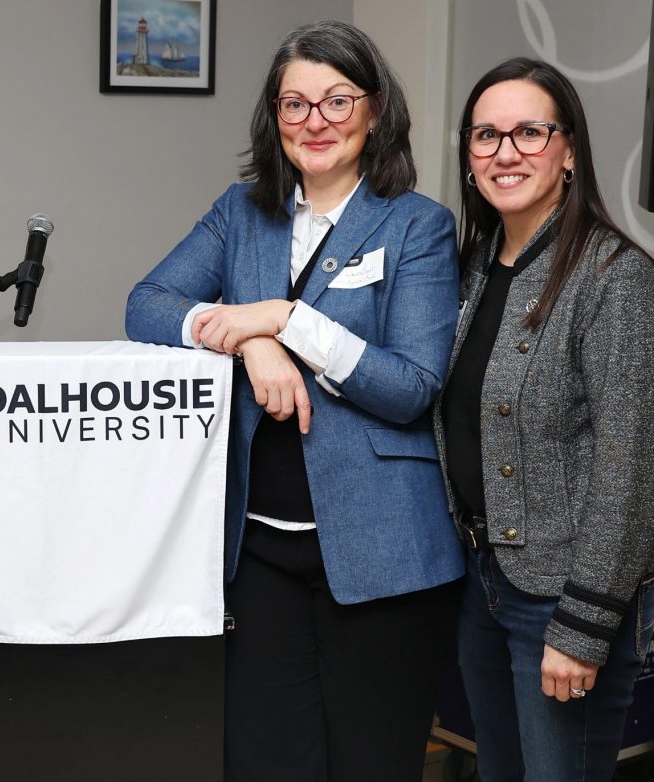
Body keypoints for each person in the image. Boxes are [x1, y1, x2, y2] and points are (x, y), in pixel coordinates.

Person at [126, 19, 463, 782]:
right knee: (263, 762)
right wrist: (247, 342)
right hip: (261, 551)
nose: (315, 122)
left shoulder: (417, 226)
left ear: (375, 111)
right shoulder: (242, 213)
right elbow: (146, 303)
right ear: (273, 117)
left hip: (384, 556)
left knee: (369, 765)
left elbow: (410, 386)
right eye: (294, 104)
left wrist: (284, 319)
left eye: (337, 101)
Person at [436, 58, 654, 782]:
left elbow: (632, 464)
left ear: (567, 151)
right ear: (468, 158)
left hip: (560, 600)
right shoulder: (474, 265)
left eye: (530, 132)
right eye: (486, 136)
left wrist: (584, 624)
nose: (506, 152)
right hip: (484, 582)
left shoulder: (613, 275)